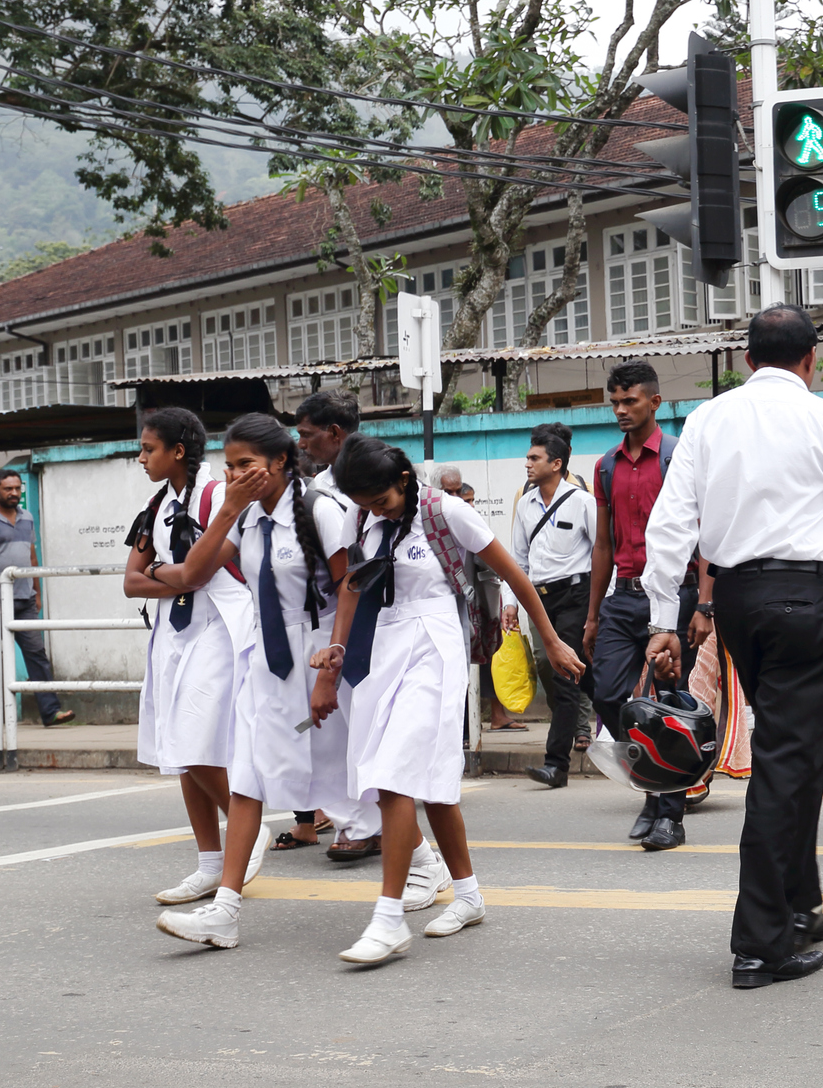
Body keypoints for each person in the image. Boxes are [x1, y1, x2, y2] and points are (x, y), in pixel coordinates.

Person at [642, 306, 823, 989]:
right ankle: (760, 945)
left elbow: (671, 519)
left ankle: (800, 902)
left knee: (790, 755)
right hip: (799, 600)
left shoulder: (707, 419)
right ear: (811, 358)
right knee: (785, 762)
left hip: (734, 601)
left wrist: (660, 616)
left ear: (747, 359)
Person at [154, 413, 453, 949]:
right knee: (246, 778)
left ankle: (426, 862)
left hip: (316, 657)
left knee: (360, 780)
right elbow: (194, 574)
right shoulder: (243, 517)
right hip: (263, 662)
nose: (238, 474)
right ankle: (224, 912)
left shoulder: (319, 509)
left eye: (247, 464)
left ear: (282, 461)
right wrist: (226, 509)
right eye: (229, 466)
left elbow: (350, 588)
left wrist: (331, 672)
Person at [309, 434, 583, 964]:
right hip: (386, 645)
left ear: (404, 481)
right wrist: (335, 648)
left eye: (381, 501)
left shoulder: (446, 511)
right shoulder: (361, 516)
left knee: (394, 775)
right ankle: (469, 895)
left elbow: (513, 574)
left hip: (435, 644)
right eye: (364, 504)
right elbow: (350, 585)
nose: (373, 511)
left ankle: (387, 921)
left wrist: (549, 637)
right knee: (430, 786)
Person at [124, 409, 267, 905]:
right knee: (179, 750)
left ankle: (248, 829)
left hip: (220, 626)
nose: (141, 458)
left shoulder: (216, 495)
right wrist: (173, 571)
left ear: (178, 451)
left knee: (192, 738)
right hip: (174, 630)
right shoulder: (156, 505)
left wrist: (168, 573)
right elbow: (130, 581)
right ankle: (209, 862)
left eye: (149, 449)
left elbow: (198, 576)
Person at [584, 359, 711, 849]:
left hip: (676, 596)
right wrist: (594, 615)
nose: (619, 409)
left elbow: (704, 535)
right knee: (609, 693)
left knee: (670, 707)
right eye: (614, 401)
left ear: (654, 402)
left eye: (629, 401)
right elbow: (602, 546)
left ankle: (669, 815)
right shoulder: (606, 465)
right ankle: (651, 784)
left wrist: (704, 604)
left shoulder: (679, 457)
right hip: (624, 596)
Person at [292, 389, 383, 859]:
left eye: (307, 434)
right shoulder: (344, 486)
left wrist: (333, 651)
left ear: (335, 433)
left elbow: (344, 577)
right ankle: (365, 819)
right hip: (356, 624)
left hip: (341, 627)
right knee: (343, 729)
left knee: (335, 733)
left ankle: (362, 823)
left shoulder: (328, 499)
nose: (301, 443)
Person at [503, 422, 596, 788]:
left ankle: (556, 765)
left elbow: (604, 553)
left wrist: (601, 603)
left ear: (555, 463)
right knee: (564, 673)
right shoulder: (524, 504)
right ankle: (623, 732)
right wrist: (511, 603)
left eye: (534, 458)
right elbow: (518, 559)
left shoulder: (582, 500)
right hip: (539, 601)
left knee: (567, 676)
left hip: (577, 595)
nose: (527, 463)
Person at [0, 468, 76, 730]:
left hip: (24, 599)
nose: (14, 493)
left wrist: (36, 591)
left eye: (17, 488)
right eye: (8, 489)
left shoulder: (26, 517)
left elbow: (31, 556)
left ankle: (50, 712)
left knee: (36, 653)